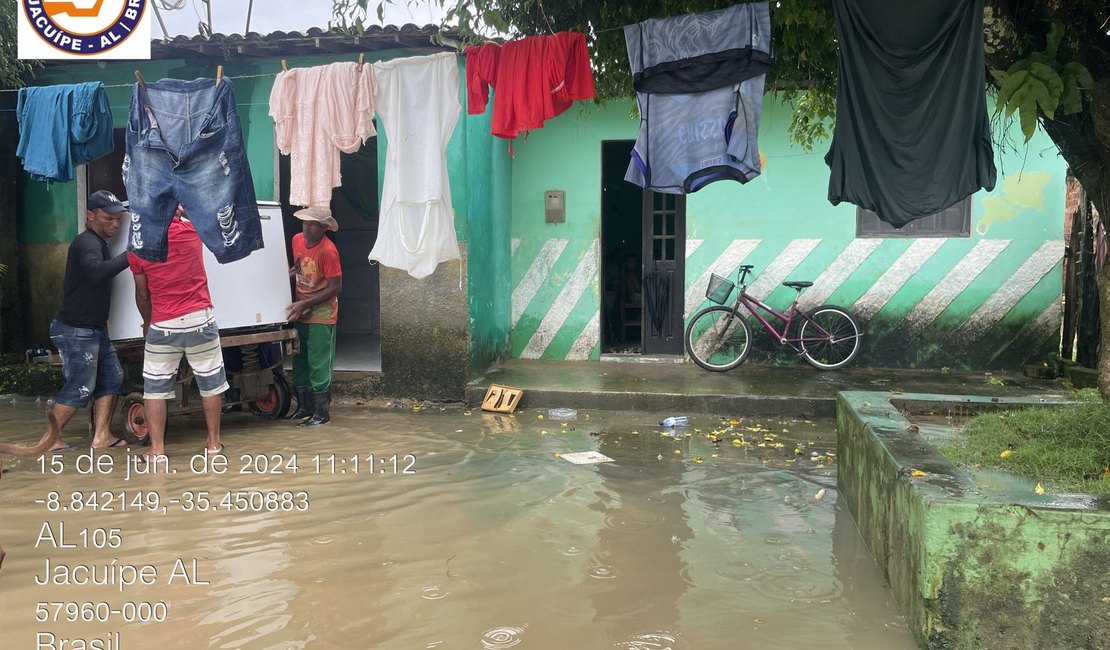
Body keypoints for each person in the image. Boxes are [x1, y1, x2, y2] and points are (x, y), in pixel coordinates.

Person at [128, 205, 229, 460]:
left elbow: (142, 294)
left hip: (163, 325)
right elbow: (205, 217)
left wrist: (147, 322)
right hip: (200, 320)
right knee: (210, 385)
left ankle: (157, 450)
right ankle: (214, 444)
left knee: (155, 390)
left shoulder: (139, 246)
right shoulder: (192, 231)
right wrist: (183, 212)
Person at [48, 190, 130, 450]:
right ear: (89, 215)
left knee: (113, 378)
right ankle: (49, 441)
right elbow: (95, 273)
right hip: (76, 329)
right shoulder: (87, 242)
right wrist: (132, 256)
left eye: (118, 219)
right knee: (81, 387)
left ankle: (101, 436)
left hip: (95, 329)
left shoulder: (99, 242)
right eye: (108, 218)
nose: (115, 224)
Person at [285, 206, 342, 427]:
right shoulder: (297, 239)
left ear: (324, 228)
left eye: (312, 224)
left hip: (321, 311)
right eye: (305, 222)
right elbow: (298, 267)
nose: (306, 227)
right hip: (301, 308)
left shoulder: (329, 251)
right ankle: (303, 407)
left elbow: (336, 287)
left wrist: (306, 303)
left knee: (318, 362)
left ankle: (321, 413)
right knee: (300, 358)